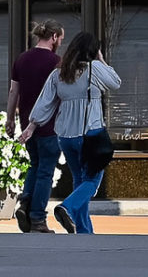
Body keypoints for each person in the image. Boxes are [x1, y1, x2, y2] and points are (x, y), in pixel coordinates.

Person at [28, 31, 119, 235]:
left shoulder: (59, 73)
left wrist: (31, 126)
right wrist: (102, 61)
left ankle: (84, 231)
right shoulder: (94, 69)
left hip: (66, 137)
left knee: (80, 180)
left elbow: (44, 103)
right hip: (90, 135)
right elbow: (116, 82)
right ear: (93, 51)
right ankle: (66, 207)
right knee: (92, 182)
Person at [6, 21, 65, 233]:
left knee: (34, 165)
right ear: (55, 37)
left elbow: (14, 92)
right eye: (60, 38)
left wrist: (10, 119)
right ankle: (38, 218)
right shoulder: (57, 61)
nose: (60, 42)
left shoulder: (21, 59)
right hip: (50, 125)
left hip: (26, 124)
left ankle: (25, 203)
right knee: (45, 172)